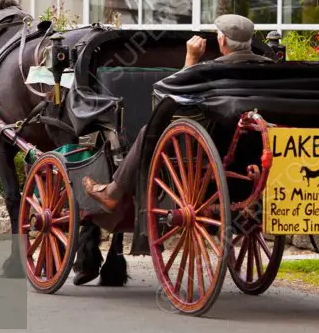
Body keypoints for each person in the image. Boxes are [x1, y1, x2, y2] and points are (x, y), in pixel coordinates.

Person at [82, 13, 271, 212]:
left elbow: (170, 93)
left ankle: (113, 192)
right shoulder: (270, 70)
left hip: (213, 144)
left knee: (150, 130)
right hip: (255, 146)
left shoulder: (211, 70)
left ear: (222, 40)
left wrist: (191, 58)